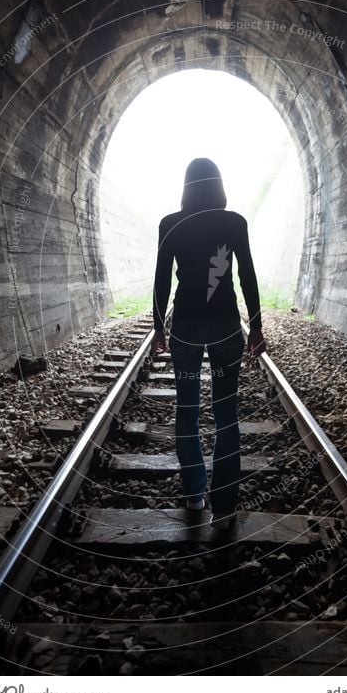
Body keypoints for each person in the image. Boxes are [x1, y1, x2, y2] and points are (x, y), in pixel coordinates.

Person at [151, 158, 266, 530]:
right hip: (225, 329)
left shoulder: (170, 224)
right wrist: (258, 327)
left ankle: (195, 492)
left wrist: (158, 329)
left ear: (187, 186)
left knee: (186, 411)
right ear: (218, 186)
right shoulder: (234, 223)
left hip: (184, 328)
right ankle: (225, 503)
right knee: (226, 414)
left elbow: (161, 283)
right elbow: (246, 274)